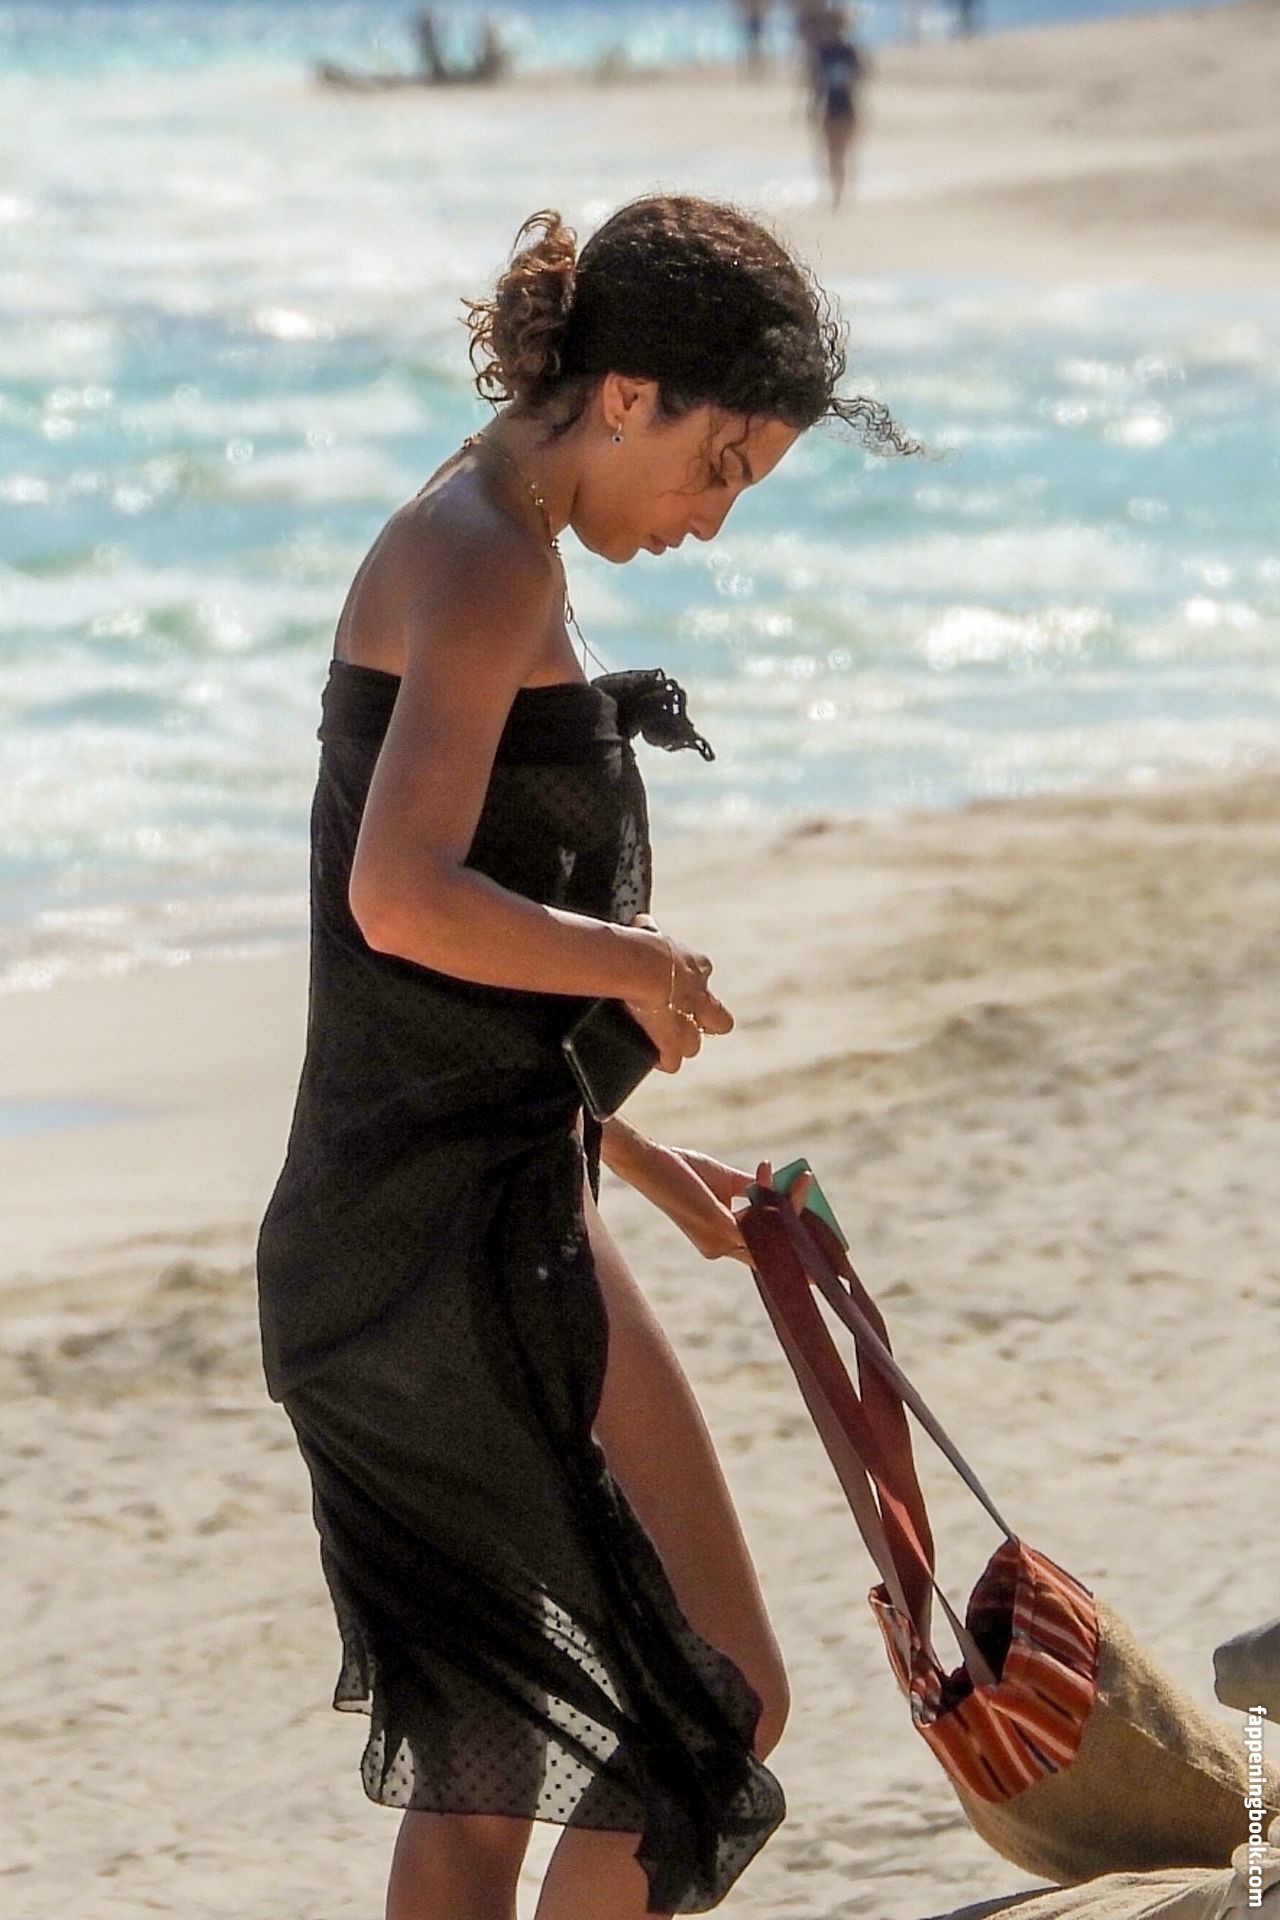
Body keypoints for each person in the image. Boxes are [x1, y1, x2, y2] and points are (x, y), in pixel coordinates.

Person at [256, 193, 918, 1920]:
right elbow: (399, 899)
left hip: (413, 1221)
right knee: (716, 1698)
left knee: (487, 1765)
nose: (711, 519)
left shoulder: (481, 533)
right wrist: (629, 959)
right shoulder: (483, 555)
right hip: (451, 1243)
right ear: (627, 396)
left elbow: (429, 993)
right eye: (720, 467)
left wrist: (633, 1155)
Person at [809, 8, 866, 209]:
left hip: (845, 106)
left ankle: (842, 192)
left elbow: (859, 78)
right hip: (831, 106)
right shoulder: (824, 52)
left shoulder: (846, 51)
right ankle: (836, 192)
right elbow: (816, 84)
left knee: (843, 151)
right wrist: (812, 108)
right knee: (831, 152)